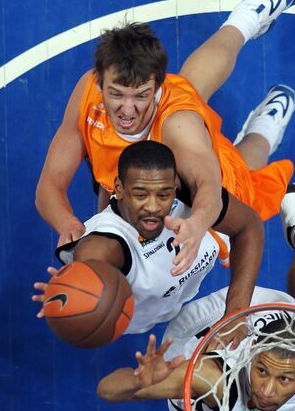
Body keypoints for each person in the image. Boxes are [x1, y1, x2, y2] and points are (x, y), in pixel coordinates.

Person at [35, 0, 295, 276]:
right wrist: (68, 224)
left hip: (204, 176)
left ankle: (265, 123)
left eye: (141, 95)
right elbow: (49, 186)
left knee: (246, 173)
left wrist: (198, 224)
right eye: (117, 94)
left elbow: (208, 187)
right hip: (129, 180)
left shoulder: (179, 123)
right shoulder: (88, 92)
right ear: (99, 82)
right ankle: (247, 18)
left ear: (158, 87)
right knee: (193, 81)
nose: (127, 109)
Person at [96, 183, 295, 411]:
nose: (266, 391)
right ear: (252, 352)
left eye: (284, 379)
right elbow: (106, 390)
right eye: (262, 370)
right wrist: (140, 382)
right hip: (206, 327)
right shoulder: (213, 380)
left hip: (285, 319)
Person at [33, 140, 263, 345]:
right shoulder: (105, 244)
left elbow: (248, 226)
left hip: (208, 235)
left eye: (163, 195)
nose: (153, 208)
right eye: (140, 195)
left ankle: (264, 127)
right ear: (120, 189)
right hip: (149, 308)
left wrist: (236, 314)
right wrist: (76, 290)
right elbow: (94, 259)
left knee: (247, 169)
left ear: (174, 186)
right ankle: (101, 169)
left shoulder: (191, 192)